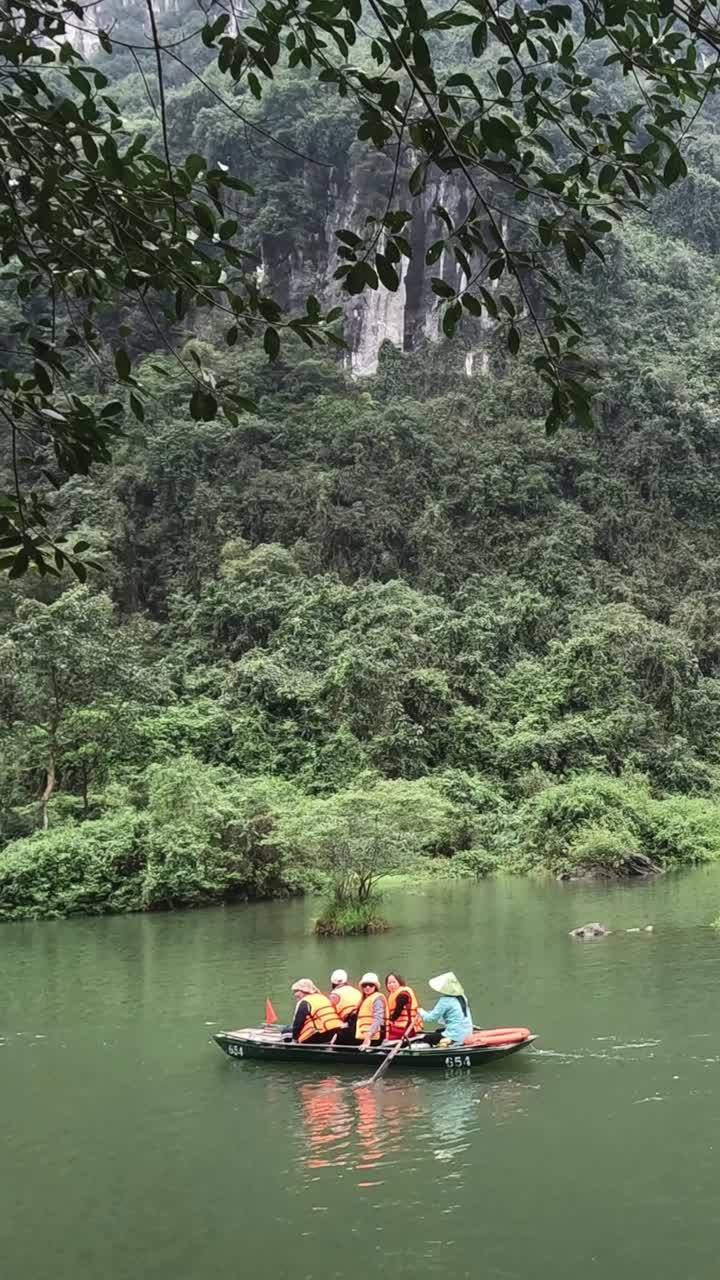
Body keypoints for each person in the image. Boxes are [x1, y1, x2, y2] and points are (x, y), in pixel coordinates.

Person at [418, 972, 473, 1046]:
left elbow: (429, 1018)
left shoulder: (445, 1000)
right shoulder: (462, 997)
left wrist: (419, 1011)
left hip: (456, 1036)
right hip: (467, 1032)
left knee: (427, 1038)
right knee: (438, 1031)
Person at [289, 979, 345, 1045]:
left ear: (304, 991)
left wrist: (294, 1040)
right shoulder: (323, 997)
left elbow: (297, 1024)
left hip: (319, 1035)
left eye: (297, 991)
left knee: (286, 1032)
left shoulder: (305, 1002)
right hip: (337, 1032)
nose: (295, 994)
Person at [385, 972, 423, 1040]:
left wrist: (388, 1020)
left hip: (407, 1027)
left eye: (394, 982)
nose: (391, 984)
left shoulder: (403, 994)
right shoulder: (393, 994)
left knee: (384, 1034)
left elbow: (396, 1013)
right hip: (399, 1026)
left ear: (399, 982)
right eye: (389, 983)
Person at [355, 973, 388, 1051]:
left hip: (374, 1036)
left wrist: (368, 1035)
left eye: (371, 985)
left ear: (375, 986)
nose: (367, 987)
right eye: (365, 985)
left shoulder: (377, 999)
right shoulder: (364, 999)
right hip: (362, 1034)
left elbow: (378, 1019)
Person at [329, 968, 362, 1044]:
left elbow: (330, 1015)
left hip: (349, 1025)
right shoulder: (356, 991)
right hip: (361, 1023)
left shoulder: (334, 994)